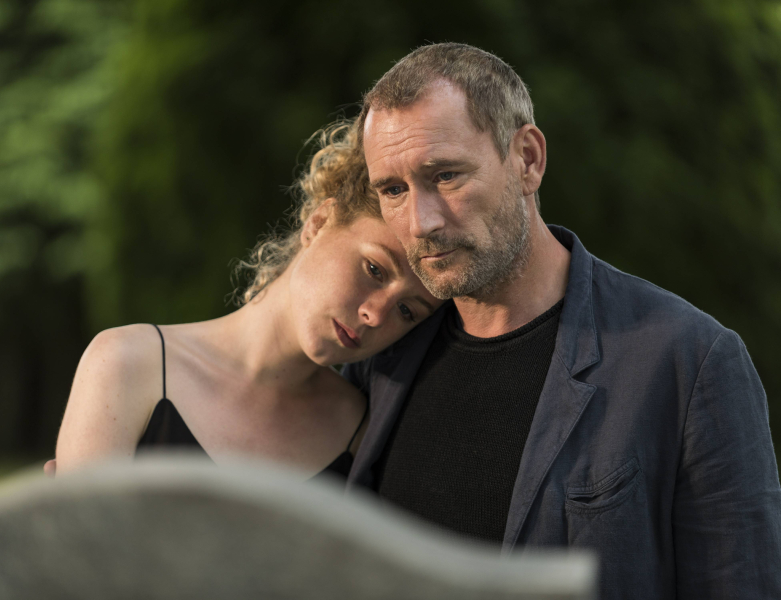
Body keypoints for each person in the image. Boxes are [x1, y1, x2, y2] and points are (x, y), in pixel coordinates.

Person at [344, 43, 781, 598]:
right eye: (393, 190)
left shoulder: (688, 360)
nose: (420, 222)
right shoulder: (380, 355)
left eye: (446, 175)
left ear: (527, 159)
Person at [49, 121, 441, 479]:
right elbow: (75, 535)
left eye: (407, 310)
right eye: (374, 270)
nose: (375, 315)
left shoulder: (362, 435)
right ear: (320, 223)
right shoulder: (128, 362)